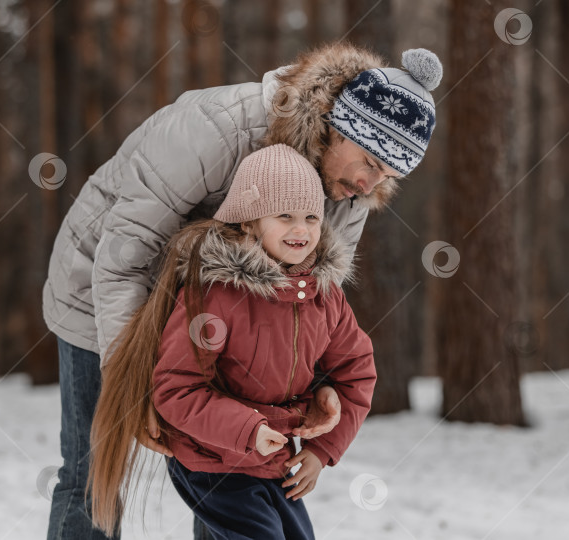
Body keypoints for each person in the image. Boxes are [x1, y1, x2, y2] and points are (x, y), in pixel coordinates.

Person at [43, 41, 442, 539]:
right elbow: (125, 256)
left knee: (231, 466)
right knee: (93, 472)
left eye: (387, 174)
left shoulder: (347, 188)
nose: (369, 183)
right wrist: (135, 382)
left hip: (223, 318)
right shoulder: (218, 128)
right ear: (339, 124)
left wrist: (321, 386)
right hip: (103, 285)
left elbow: (312, 300)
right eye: (368, 160)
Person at [88, 144, 377, 540]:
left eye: (311, 217)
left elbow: (356, 372)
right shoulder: (216, 296)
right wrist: (248, 430)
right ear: (249, 223)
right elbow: (175, 387)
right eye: (284, 216)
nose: (301, 229)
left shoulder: (324, 296)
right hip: (211, 461)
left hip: (273, 457)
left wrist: (323, 448)